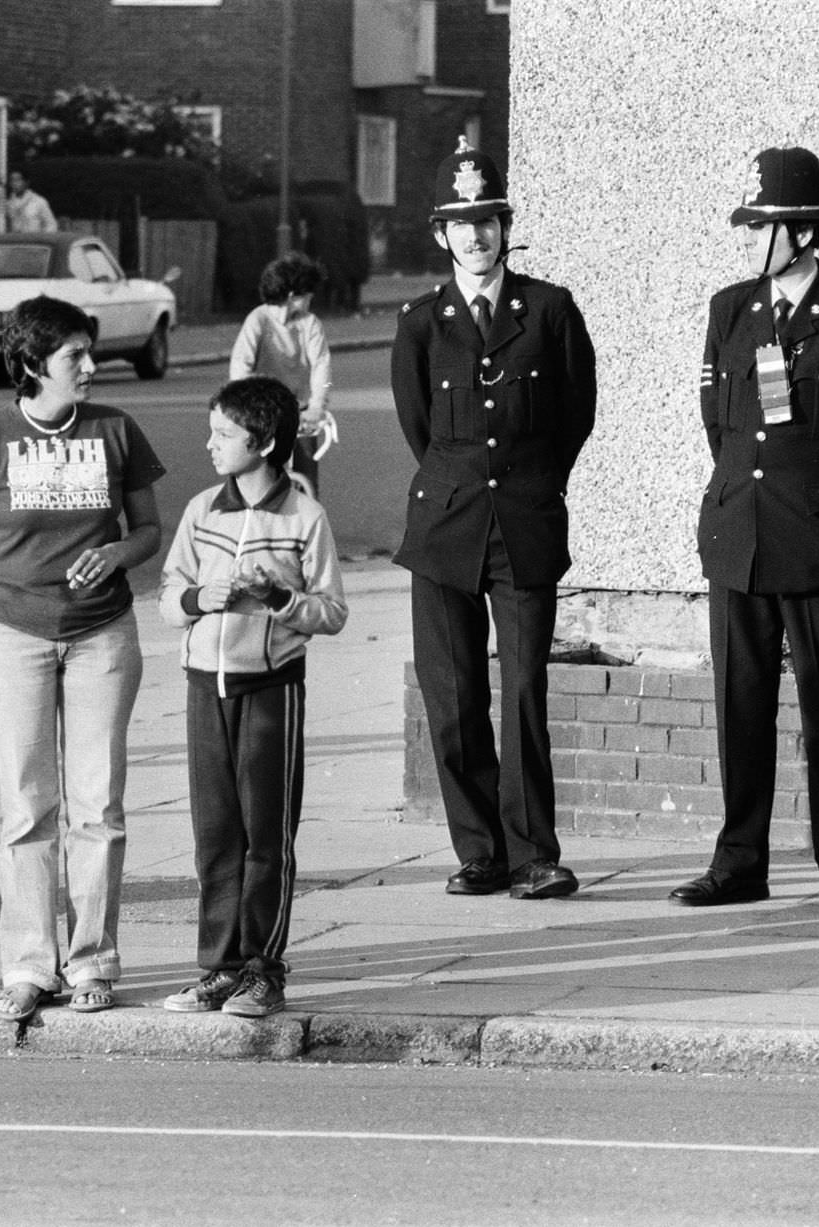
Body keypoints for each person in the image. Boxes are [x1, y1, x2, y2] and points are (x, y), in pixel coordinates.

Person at [671, 146, 819, 916]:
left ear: (802, 232)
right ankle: (739, 860)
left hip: (818, 542)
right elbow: (719, 423)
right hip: (738, 536)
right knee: (739, 703)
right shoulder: (728, 309)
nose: (750, 241)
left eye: (761, 226)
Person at [0, 295, 166, 1019]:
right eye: (75, 357)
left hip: (102, 635)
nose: (91, 366)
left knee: (99, 806)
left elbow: (149, 529)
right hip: (10, 635)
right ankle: (30, 964)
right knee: (28, 808)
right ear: (32, 363)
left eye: (89, 352)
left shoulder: (115, 430)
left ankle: (93, 961)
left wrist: (117, 550)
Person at [391, 137, 597, 901]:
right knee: (450, 696)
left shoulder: (548, 309)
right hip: (443, 526)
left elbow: (574, 415)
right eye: (460, 222)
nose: (475, 234)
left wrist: (530, 484)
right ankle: (478, 850)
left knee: (523, 692)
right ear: (440, 234)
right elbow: (421, 428)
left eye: (488, 219)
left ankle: (534, 853)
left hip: (523, 521)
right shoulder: (420, 321)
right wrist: (463, 485)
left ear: (506, 226)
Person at [157, 376, 348, 1017]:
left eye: (223, 434)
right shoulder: (201, 510)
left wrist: (278, 598)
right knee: (215, 834)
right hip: (202, 686)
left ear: (263, 443)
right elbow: (167, 596)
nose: (210, 445)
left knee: (267, 835)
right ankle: (220, 967)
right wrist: (196, 600)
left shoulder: (305, 517)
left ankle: (265, 969)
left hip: (270, 689)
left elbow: (332, 612)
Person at [229, 252, 334, 495]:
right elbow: (240, 368)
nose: (310, 301)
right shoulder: (258, 321)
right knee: (255, 476)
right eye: (308, 295)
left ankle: (308, 522)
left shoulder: (310, 324)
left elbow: (321, 365)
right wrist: (251, 406)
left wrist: (318, 405)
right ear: (292, 296)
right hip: (263, 411)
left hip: (300, 411)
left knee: (307, 476)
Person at [5, 169, 58, 234]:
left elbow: (51, 225)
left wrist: (42, 238)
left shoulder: (39, 201)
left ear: (26, 182)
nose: (14, 183)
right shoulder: (8, 204)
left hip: (35, 241)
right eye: (12, 180)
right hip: (17, 242)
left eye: (18, 180)